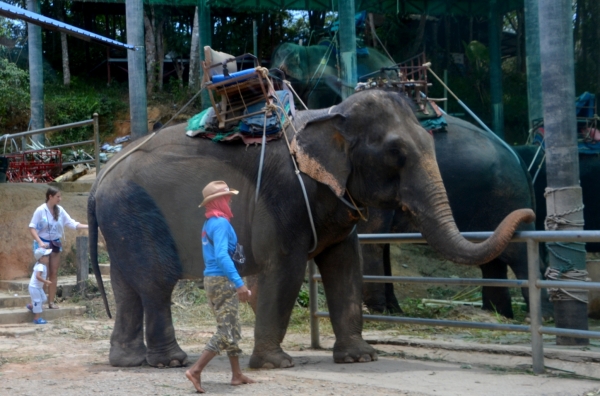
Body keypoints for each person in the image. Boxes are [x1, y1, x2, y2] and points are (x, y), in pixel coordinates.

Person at [185, 180, 255, 393]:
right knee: (226, 331)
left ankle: (236, 374)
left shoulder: (209, 223)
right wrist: (239, 283)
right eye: (228, 198)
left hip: (211, 280)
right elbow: (222, 256)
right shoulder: (221, 223)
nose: (231, 201)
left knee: (232, 326)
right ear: (220, 201)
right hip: (223, 280)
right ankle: (196, 370)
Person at [29, 186, 88, 309]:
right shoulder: (40, 210)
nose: (60, 199)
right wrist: (39, 241)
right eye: (58, 197)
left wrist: (88, 226)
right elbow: (32, 227)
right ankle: (40, 301)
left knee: (53, 273)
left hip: (55, 243)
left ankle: (51, 301)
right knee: (43, 273)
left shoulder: (60, 210)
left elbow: (72, 223)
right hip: (43, 244)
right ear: (50, 197)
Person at [27, 247, 53, 324]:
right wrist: (46, 281)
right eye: (47, 256)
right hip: (34, 288)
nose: (48, 257)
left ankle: (31, 306)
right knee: (38, 302)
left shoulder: (40, 264)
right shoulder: (40, 266)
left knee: (44, 299)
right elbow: (38, 277)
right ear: (41, 258)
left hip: (37, 287)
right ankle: (36, 318)